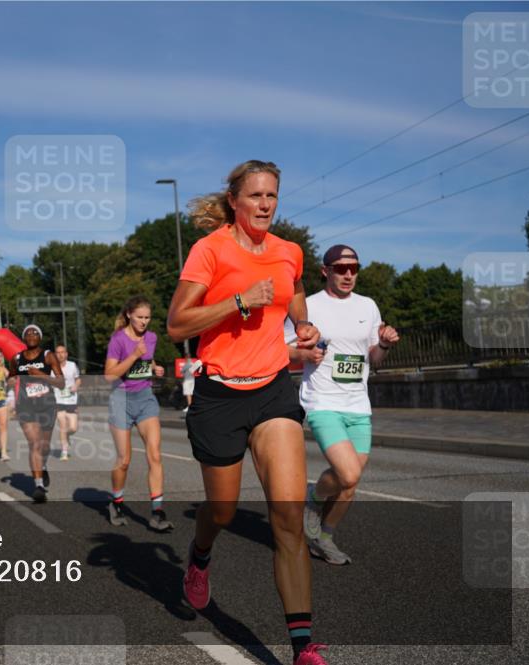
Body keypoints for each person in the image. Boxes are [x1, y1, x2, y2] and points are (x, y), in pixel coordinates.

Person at [167, 160, 328, 665]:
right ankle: (200, 556)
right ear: (234, 201)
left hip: (273, 389)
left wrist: (301, 325)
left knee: (288, 519)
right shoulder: (209, 250)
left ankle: (303, 647)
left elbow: (295, 291)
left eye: (272, 196)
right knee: (223, 510)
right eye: (255, 196)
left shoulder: (288, 251)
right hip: (219, 394)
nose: (264, 205)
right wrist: (237, 301)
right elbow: (177, 324)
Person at [293, 244, 400, 566]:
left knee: (349, 483)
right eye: (341, 268)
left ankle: (324, 538)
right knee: (349, 473)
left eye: (354, 268)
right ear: (325, 271)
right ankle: (313, 497)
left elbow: (374, 360)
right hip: (322, 401)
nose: (348, 274)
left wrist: (382, 344)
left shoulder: (368, 306)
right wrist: (304, 355)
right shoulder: (306, 306)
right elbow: (284, 352)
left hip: (358, 404)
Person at [104, 296, 171, 532]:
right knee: (124, 461)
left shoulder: (150, 338)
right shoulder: (118, 339)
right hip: (120, 400)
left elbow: (148, 359)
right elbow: (110, 375)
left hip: (145, 398)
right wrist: (133, 355)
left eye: (147, 318)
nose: (144, 322)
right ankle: (117, 502)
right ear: (129, 315)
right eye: (140, 317)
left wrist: (155, 367)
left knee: (155, 454)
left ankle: (157, 512)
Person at [9, 325, 64, 503]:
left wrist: (42, 375)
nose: (31, 335)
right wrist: (10, 381)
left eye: (35, 333)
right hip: (26, 406)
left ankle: (44, 465)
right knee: (35, 444)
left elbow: (61, 382)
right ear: (23, 338)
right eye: (27, 333)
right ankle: (39, 485)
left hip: (46, 405)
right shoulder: (17, 358)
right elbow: (10, 377)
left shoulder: (48, 355)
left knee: (44, 446)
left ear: (40, 337)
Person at [53, 345, 81, 461]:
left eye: (62, 352)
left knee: (73, 428)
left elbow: (78, 379)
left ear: (66, 354)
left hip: (71, 400)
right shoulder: (52, 368)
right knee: (62, 426)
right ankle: (64, 452)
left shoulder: (72, 366)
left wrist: (76, 386)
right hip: (58, 400)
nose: (60, 354)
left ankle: (68, 435)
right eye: (58, 352)